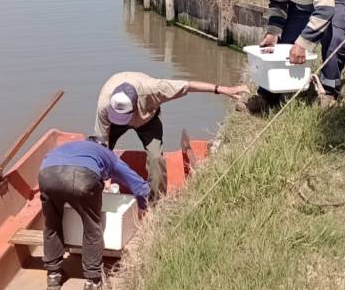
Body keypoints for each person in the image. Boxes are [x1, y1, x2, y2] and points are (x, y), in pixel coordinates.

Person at [94, 72, 246, 197]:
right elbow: (101, 144)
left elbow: (188, 86)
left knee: (156, 158)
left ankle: (155, 202)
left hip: (147, 119)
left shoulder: (154, 89)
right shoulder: (105, 104)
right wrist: (106, 178)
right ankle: (96, 194)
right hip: (114, 122)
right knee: (97, 157)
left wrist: (221, 89)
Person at [38, 136, 150, 290]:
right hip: (81, 178)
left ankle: (53, 274)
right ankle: (93, 281)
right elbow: (139, 186)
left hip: (47, 176)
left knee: (52, 224)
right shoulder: (105, 153)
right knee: (91, 226)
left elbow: (50, 165)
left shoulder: (66, 146)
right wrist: (144, 207)